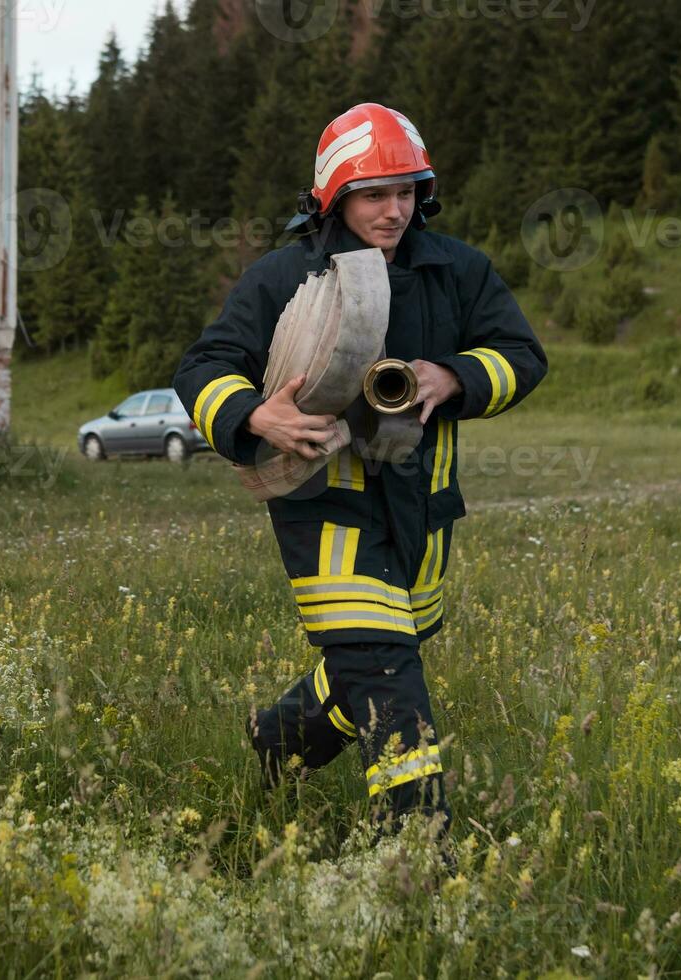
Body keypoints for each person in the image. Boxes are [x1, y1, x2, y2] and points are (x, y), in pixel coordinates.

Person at [173, 103, 548, 834]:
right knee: (384, 671)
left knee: (391, 643)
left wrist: (455, 376)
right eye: (375, 194)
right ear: (334, 196)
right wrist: (254, 415)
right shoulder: (282, 277)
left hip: (424, 506)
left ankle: (280, 738)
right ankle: (413, 850)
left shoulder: (458, 271)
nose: (394, 210)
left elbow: (523, 355)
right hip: (326, 514)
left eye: (406, 192)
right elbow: (204, 365)